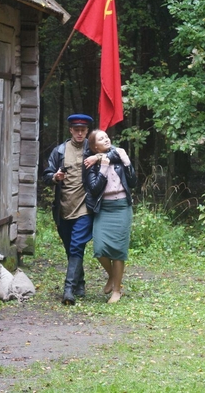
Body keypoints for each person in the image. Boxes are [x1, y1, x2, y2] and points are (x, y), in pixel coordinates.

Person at [42, 114, 94, 305]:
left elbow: (111, 155)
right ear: (71, 130)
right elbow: (46, 175)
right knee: (70, 248)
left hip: (85, 208)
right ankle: (80, 283)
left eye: (83, 130)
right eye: (76, 129)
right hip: (63, 209)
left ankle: (68, 290)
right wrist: (55, 177)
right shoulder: (60, 151)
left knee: (76, 245)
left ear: (87, 131)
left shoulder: (93, 148)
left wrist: (98, 156)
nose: (80, 133)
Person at [83, 130, 136, 304]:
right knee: (99, 248)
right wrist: (103, 166)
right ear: (93, 146)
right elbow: (94, 189)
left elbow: (133, 182)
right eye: (101, 138)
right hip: (104, 209)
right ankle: (113, 276)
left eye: (106, 137)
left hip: (122, 207)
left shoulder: (118, 154)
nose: (106, 139)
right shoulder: (91, 164)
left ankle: (117, 290)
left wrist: (127, 163)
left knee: (119, 252)